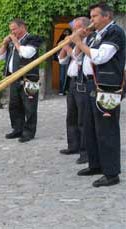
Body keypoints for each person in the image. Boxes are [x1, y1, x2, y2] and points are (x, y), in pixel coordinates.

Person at [71, 2, 125, 187]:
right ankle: (95, 164)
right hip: (90, 84)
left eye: (94, 16)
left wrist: (79, 42)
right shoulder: (96, 35)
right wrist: (81, 41)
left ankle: (111, 173)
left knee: (106, 130)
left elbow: (101, 57)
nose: (91, 20)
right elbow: (80, 57)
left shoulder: (115, 32)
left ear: (107, 16)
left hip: (106, 87)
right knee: (90, 127)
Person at [0, 19, 43, 143]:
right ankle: (17, 129)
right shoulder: (12, 42)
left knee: (30, 107)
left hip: (30, 79)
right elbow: (0, 57)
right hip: (14, 78)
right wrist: (4, 44)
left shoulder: (33, 39)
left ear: (22, 27)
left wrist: (15, 41)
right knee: (14, 106)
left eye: (14, 29)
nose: (12, 32)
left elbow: (26, 54)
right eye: (11, 30)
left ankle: (29, 132)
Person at [57, 17, 91, 164]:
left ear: (84, 28)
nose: (73, 31)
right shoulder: (75, 40)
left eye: (76, 28)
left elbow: (79, 58)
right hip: (72, 83)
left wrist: (70, 48)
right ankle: (73, 146)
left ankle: (86, 152)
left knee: (83, 119)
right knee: (71, 117)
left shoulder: (89, 41)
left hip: (83, 83)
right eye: (73, 28)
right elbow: (62, 61)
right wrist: (63, 49)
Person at [56, 28, 72, 95]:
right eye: (65, 32)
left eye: (68, 32)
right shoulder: (60, 41)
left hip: (70, 58)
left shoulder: (72, 40)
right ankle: (61, 90)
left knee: (69, 75)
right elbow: (57, 48)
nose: (66, 34)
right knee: (62, 75)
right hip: (63, 58)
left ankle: (67, 90)